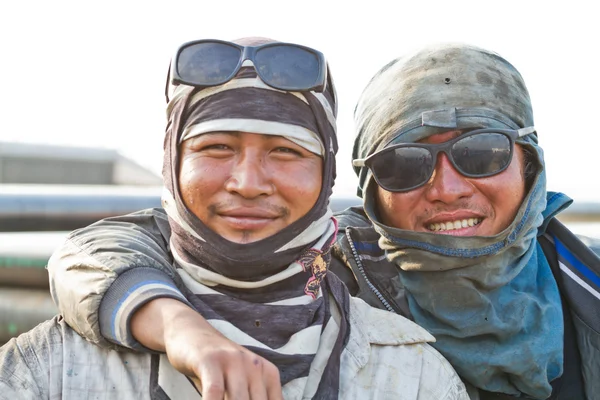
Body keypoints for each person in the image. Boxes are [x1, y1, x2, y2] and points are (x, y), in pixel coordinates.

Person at [37, 42, 600, 399]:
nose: (448, 188)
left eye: (483, 154)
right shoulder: (327, 269)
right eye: (404, 164)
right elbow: (101, 249)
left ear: (530, 163)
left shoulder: (587, 288)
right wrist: (184, 331)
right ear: (366, 186)